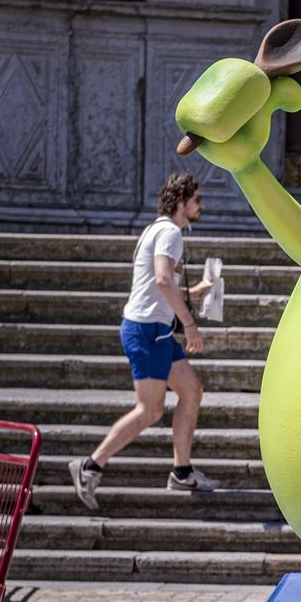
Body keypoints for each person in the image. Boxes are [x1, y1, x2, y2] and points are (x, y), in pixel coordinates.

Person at [69, 172, 221, 509]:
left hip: (157, 330)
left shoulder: (159, 230)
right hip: (146, 331)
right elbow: (163, 280)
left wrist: (197, 291)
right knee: (150, 410)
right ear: (181, 202)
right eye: (197, 199)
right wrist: (191, 324)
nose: (202, 205)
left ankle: (182, 472)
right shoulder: (169, 232)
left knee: (191, 391)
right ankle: (89, 466)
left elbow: (159, 286)